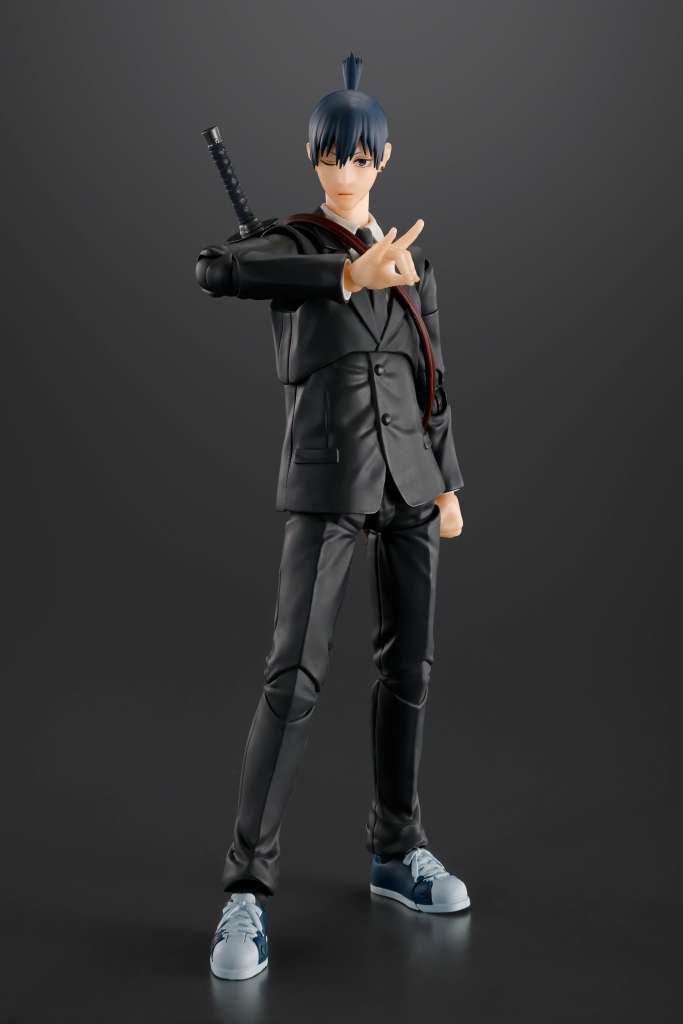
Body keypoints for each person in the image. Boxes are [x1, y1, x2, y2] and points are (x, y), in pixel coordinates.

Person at [196, 52, 470, 983]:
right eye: (330, 153)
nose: (344, 168)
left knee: (408, 671)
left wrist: (446, 482)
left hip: (408, 487)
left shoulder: (414, 259)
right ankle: (246, 886)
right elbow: (213, 269)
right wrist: (347, 278)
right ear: (313, 156)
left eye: (358, 155)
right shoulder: (288, 247)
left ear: (382, 158)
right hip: (327, 485)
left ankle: (398, 847)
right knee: (295, 678)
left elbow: (432, 376)